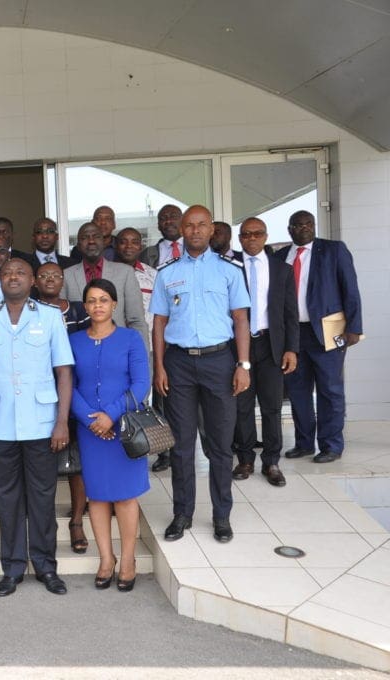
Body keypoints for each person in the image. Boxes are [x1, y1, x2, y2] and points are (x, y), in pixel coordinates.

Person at [0, 258, 74, 597]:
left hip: (42, 425)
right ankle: (13, 568)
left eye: (20, 273)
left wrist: (61, 422)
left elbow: (64, 372)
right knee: (8, 499)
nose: (12, 277)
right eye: (7, 273)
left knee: (43, 498)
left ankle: (46, 567)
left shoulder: (50, 317)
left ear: (33, 281)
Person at [150, 205, 251, 544]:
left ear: (211, 230)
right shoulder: (167, 273)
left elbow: (241, 320)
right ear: (182, 230)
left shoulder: (229, 270)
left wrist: (243, 365)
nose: (195, 231)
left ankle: (221, 516)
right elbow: (159, 323)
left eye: (201, 225)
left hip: (219, 361)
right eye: (189, 225)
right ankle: (182, 513)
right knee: (181, 446)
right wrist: (159, 366)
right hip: (178, 363)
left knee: (220, 445)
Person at [70, 279, 151, 592]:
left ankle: (128, 559)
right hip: (90, 431)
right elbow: (67, 384)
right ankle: (106, 558)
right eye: (91, 301)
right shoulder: (74, 341)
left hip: (125, 429)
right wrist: (90, 419)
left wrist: (111, 416)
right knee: (98, 496)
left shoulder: (131, 338)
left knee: (126, 496)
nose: (98, 306)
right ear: (85, 306)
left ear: (114, 304)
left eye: (104, 300)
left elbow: (141, 384)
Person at [277, 210, 363, 463]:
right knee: (297, 391)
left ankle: (331, 445)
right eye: (298, 225)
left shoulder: (334, 250)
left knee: (330, 389)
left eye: (309, 224)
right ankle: (304, 443)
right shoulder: (280, 256)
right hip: (293, 334)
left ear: (314, 226)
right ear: (290, 229)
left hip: (329, 329)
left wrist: (354, 327)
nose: (304, 228)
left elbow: (350, 289)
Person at [232, 218, 299, 486]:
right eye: (246, 234)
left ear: (266, 236)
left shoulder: (282, 269)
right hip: (238, 345)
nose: (251, 238)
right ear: (240, 238)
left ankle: (271, 461)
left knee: (272, 406)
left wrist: (291, 348)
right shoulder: (230, 267)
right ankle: (245, 459)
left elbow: (290, 314)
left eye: (257, 234)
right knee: (242, 406)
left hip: (271, 344)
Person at [33, 260, 90, 554]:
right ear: (35, 281)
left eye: (55, 275)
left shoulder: (79, 311)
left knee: (77, 462)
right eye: (44, 275)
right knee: (43, 462)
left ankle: (77, 522)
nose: (50, 279)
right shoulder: (28, 311)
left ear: (63, 280)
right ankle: (45, 527)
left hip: (77, 392)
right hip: (39, 395)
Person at [114, 227, 171, 473]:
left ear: (141, 245)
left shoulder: (153, 275)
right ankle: (124, 447)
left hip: (147, 348)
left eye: (134, 242)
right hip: (116, 349)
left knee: (150, 400)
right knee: (121, 398)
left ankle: (159, 449)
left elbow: (162, 314)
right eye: (123, 242)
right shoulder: (108, 273)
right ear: (116, 245)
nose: (128, 246)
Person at [63, 223, 149, 349]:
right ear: (78, 246)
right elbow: (62, 322)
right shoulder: (66, 275)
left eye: (96, 236)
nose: (91, 241)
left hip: (118, 349)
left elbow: (137, 321)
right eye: (85, 237)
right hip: (80, 351)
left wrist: (142, 357)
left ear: (104, 242)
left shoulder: (125, 272)